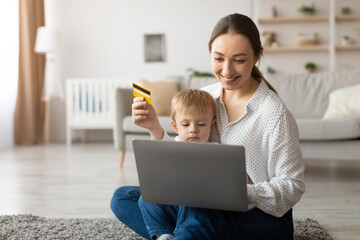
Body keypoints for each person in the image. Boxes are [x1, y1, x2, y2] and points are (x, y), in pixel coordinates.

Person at [111, 13, 305, 240]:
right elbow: (183, 152)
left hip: (262, 218)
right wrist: (155, 128)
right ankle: (179, 234)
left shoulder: (274, 113)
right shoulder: (207, 96)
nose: (227, 70)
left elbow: (293, 185)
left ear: (257, 56)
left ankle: (186, 231)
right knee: (126, 198)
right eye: (218, 58)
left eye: (239, 60)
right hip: (198, 203)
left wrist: (239, 193)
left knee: (202, 212)